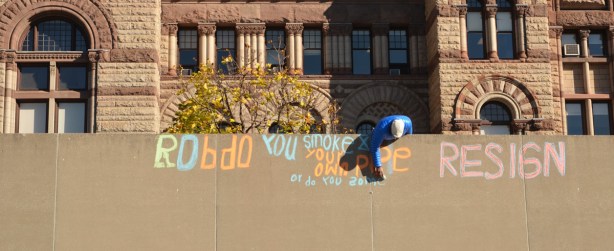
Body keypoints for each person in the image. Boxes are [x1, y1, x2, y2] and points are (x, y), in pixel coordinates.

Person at [369, 115, 413, 181]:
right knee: (374, 138)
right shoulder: (381, 128)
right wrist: (378, 165)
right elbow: (374, 147)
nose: (395, 138)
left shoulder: (408, 123)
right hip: (381, 134)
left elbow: (410, 138)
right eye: (394, 136)